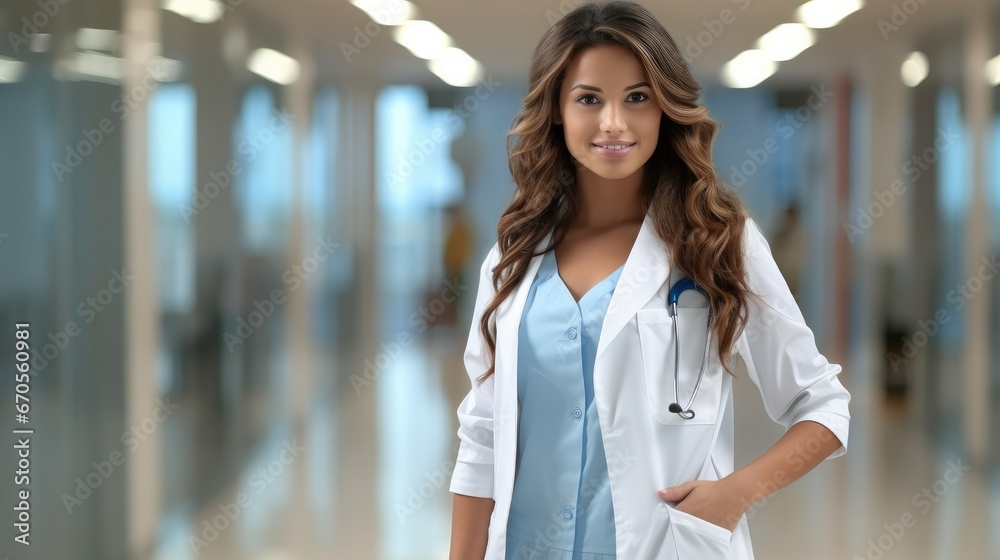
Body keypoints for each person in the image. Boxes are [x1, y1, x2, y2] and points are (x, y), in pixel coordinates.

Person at [447, 3, 851, 559]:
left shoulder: (718, 242)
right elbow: (482, 439)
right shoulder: (512, 256)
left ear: (666, 108)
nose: (614, 122)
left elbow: (824, 406)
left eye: (637, 97)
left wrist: (734, 495)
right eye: (589, 98)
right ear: (558, 111)